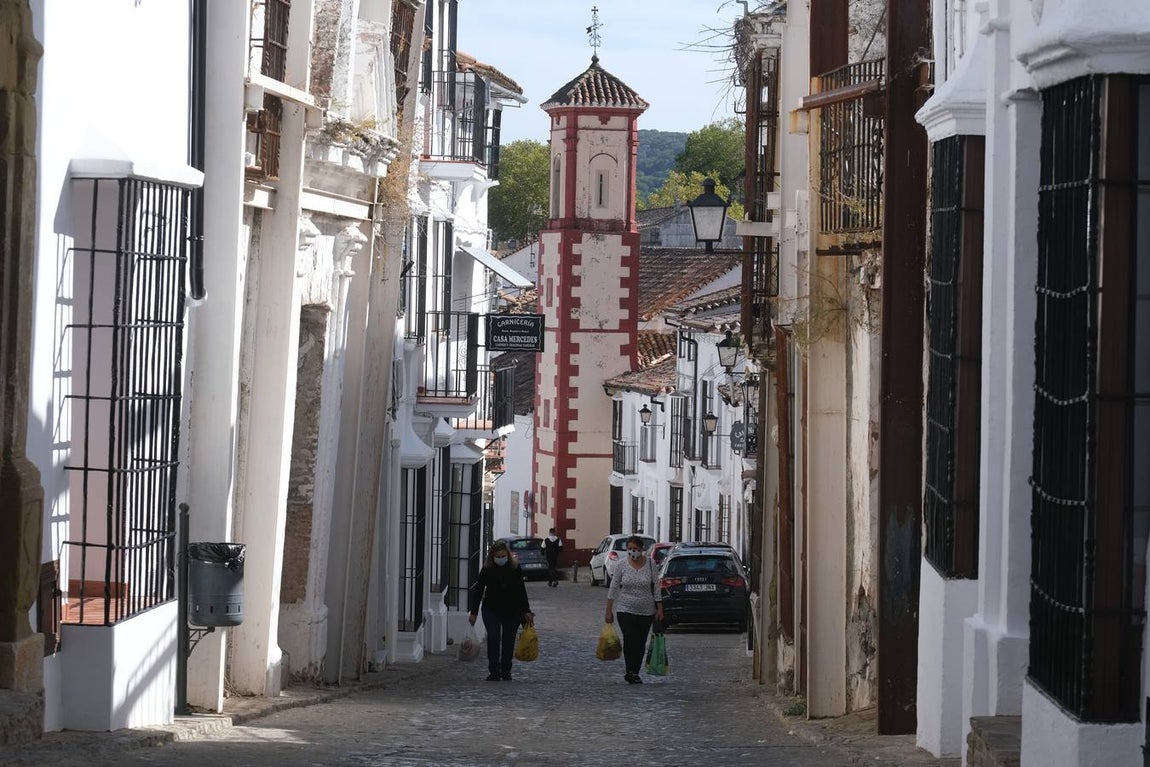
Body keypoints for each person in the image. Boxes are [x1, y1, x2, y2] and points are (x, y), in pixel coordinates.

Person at [469, 541, 534, 681]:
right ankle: (494, 670)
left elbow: (521, 591)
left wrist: (526, 610)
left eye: (503, 555)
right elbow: (479, 591)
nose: (501, 558)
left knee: (508, 641)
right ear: (492, 556)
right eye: (498, 556)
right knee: (493, 637)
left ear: (508, 555)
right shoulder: (487, 569)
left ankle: (506, 670)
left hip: (512, 610)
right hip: (491, 609)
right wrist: (474, 612)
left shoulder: (515, 568)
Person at [604, 535, 664, 683]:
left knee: (640, 641)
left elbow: (656, 587)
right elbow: (614, 587)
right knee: (630, 638)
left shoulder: (650, 564)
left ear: (642, 549)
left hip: (646, 610)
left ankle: (635, 671)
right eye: (630, 549)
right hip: (625, 608)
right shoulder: (622, 564)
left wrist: (660, 608)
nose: (633, 552)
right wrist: (608, 609)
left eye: (636, 549)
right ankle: (629, 670)